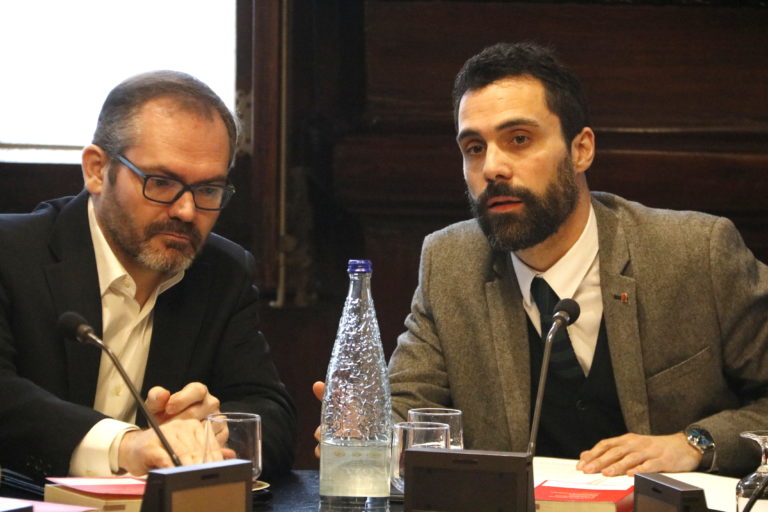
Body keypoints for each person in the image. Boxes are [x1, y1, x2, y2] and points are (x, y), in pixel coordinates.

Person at [365, 42, 768, 478]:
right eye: (475, 148)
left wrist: (695, 444)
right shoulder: (449, 263)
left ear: (581, 150)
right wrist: (364, 430)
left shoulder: (696, 252)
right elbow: (406, 409)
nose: (492, 168)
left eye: (519, 140)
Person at [0, 70, 296, 487]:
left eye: (208, 190)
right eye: (161, 182)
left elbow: (271, 413)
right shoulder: (11, 254)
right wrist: (125, 446)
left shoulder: (222, 273)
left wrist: (213, 433)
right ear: (97, 170)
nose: (187, 211)